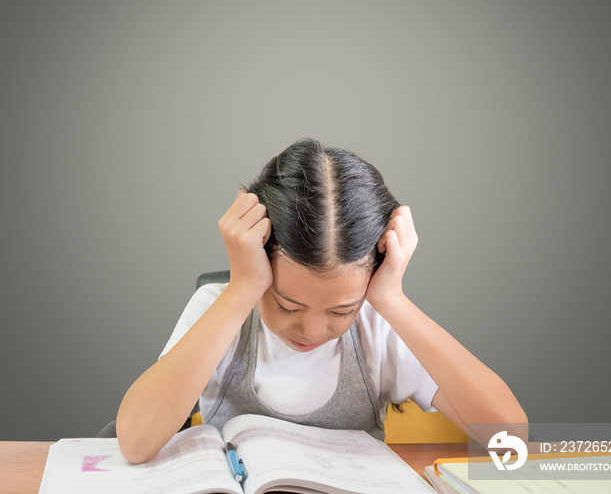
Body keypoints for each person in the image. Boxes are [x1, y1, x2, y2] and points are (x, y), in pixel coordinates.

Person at [116, 138, 527, 464]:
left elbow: (510, 435)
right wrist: (242, 288)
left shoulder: (375, 323)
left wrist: (391, 299)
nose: (313, 331)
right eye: (288, 305)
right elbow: (136, 443)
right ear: (256, 255)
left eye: (341, 310)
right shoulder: (219, 308)